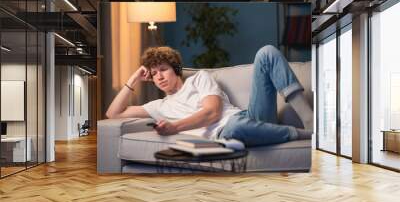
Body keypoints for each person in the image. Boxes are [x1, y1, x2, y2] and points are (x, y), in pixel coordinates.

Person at [106, 45, 313, 147]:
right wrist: (133, 79)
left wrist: (174, 127)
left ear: (175, 68)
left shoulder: (199, 78)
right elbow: (113, 114)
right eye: (153, 74)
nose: (158, 76)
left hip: (247, 117)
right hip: (229, 132)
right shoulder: (159, 105)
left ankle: (309, 122)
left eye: (162, 69)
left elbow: (212, 113)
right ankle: (305, 136)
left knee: (266, 52)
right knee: (234, 128)